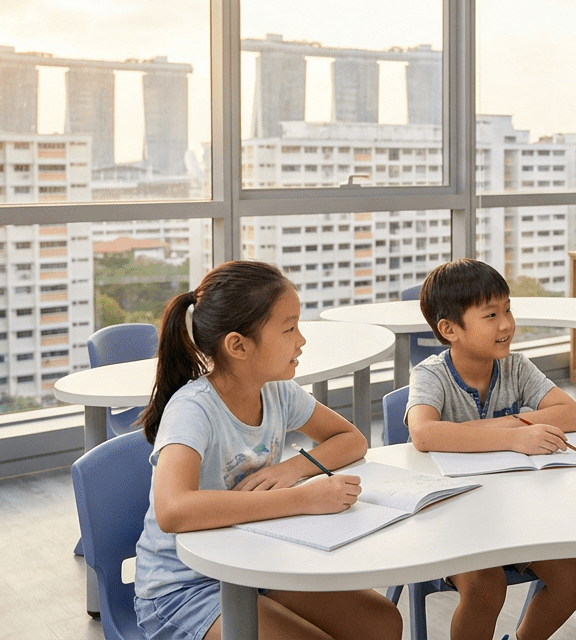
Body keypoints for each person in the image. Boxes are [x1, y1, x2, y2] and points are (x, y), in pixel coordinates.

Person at [133, 260, 401, 640]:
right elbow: (173, 511)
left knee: (382, 623)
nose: (301, 340)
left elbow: (351, 439)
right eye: (289, 328)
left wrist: (290, 470)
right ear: (238, 346)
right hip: (185, 588)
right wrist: (301, 499)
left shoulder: (275, 390)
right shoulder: (193, 410)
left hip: (256, 562)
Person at [405, 258, 576, 640]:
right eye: (490, 315)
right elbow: (424, 434)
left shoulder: (517, 368)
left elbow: (572, 415)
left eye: (508, 310)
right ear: (449, 329)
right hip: (452, 521)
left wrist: (498, 427)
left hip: (516, 515)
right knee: (487, 587)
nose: (506, 324)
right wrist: (515, 433)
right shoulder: (431, 374)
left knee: (575, 574)